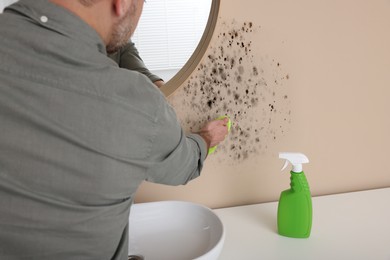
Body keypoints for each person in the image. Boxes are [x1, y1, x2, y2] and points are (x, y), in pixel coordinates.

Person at [0, 0, 229, 259]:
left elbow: (117, 46)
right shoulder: (136, 106)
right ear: (122, 3)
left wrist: (149, 77)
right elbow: (183, 163)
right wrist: (207, 137)